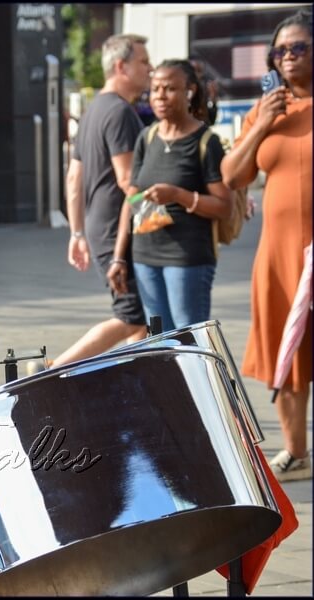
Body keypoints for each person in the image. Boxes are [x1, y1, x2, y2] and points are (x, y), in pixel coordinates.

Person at [221, 9, 312, 482]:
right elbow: (233, 175)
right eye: (280, 51)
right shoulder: (267, 109)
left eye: (298, 47)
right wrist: (262, 123)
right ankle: (297, 452)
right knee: (288, 352)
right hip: (279, 254)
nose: (288, 57)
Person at [107, 59, 233, 333]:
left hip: (187, 258)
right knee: (160, 342)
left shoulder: (205, 142)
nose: (160, 96)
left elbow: (224, 206)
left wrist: (178, 195)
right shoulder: (146, 138)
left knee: (189, 340)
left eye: (170, 89)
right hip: (144, 256)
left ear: (189, 91)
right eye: (155, 89)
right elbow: (132, 199)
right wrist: (119, 257)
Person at [52, 34, 152, 367]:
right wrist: (168, 210)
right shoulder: (120, 113)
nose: (150, 69)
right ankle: (56, 369)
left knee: (143, 321)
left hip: (100, 228)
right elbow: (128, 181)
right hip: (117, 229)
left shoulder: (95, 110)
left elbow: (73, 177)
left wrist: (77, 233)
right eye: (143, 62)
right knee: (132, 316)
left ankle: (143, 385)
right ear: (121, 66)